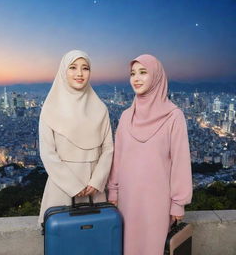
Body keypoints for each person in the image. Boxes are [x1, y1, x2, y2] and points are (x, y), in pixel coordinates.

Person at [108, 54, 193, 255]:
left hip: (157, 202)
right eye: (132, 74)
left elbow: (180, 162)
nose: (136, 78)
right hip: (127, 200)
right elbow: (118, 157)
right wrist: (113, 190)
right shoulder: (126, 116)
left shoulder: (174, 116)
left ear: (156, 77)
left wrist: (178, 203)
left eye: (143, 72)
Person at [38, 50, 113, 227]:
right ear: (63, 71)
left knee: (96, 240)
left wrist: (97, 181)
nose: (79, 73)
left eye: (85, 68)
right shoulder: (50, 110)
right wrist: (73, 185)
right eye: (73, 67)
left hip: (94, 188)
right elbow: (48, 153)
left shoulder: (100, 109)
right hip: (61, 187)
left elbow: (108, 148)